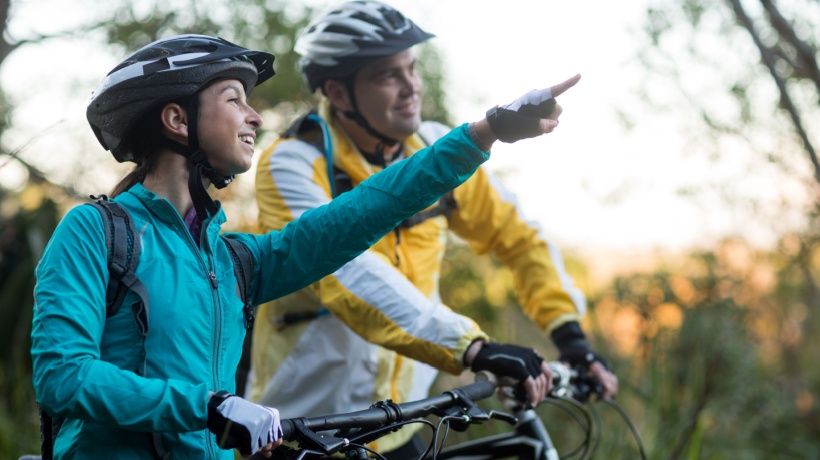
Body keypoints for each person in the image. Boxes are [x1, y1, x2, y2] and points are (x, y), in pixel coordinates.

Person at [31, 33, 574, 459]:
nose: (255, 117)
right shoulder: (95, 231)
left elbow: (362, 211)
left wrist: (485, 131)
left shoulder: (233, 261)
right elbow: (63, 375)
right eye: (234, 99)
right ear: (177, 120)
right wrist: (211, 405)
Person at [250, 1, 618, 456]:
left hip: (400, 425)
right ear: (339, 94)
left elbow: (519, 237)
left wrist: (570, 336)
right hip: (301, 429)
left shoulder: (431, 147)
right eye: (388, 75)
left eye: (412, 68)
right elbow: (348, 276)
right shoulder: (292, 163)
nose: (411, 88)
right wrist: (472, 348)